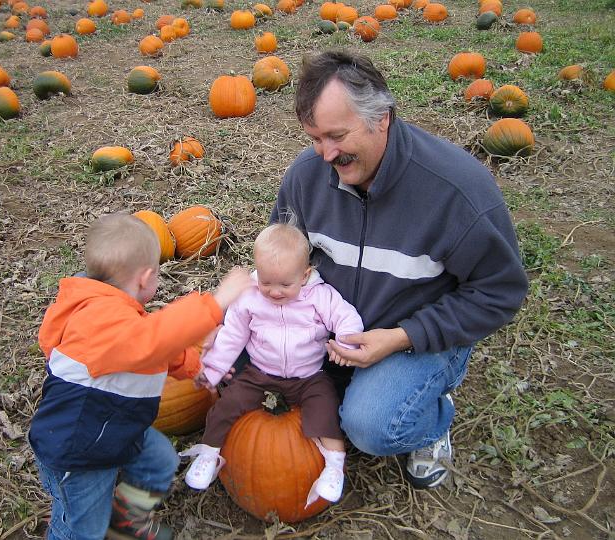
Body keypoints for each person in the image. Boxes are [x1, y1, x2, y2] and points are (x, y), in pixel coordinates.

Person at [271, 50, 529, 489]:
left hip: (412, 336)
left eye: (336, 135)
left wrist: (399, 337)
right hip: (335, 327)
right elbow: (285, 254)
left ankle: (434, 418)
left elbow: (499, 292)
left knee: (371, 425)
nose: (325, 153)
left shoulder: (456, 190)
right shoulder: (306, 176)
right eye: (315, 138)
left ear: (382, 118)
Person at [28, 213, 251, 540]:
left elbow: (149, 347)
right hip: (77, 454)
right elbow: (152, 340)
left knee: (159, 462)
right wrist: (215, 304)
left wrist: (195, 367)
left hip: (113, 429)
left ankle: (125, 524)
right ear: (146, 279)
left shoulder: (116, 319)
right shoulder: (99, 321)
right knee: (82, 529)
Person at [179, 222, 363, 506]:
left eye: (285, 285)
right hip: (261, 372)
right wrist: (214, 370)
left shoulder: (319, 296)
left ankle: (334, 466)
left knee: (325, 409)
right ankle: (209, 454)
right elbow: (232, 336)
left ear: (305, 275)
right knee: (227, 405)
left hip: (309, 376)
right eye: (266, 282)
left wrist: (347, 344)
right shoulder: (250, 298)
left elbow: (346, 317)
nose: (274, 292)